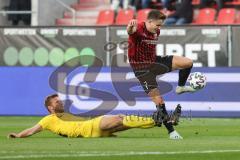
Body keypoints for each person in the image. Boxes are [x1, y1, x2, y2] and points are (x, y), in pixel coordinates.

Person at [127, 9, 196, 130]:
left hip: (154, 62)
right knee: (159, 102)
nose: (159, 28)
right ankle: (171, 131)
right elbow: (131, 32)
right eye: (158, 25)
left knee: (188, 62)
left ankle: (180, 87)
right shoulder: (138, 28)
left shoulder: (156, 31)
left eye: (161, 25)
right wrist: (129, 29)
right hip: (141, 68)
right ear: (149, 21)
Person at [8, 94, 182, 139]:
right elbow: (31, 130)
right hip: (92, 127)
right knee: (121, 118)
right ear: (49, 107)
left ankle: (165, 120)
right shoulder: (47, 120)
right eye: (56, 102)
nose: (60, 102)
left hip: (94, 132)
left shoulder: (66, 115)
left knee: (128, 123)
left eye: (60, 100)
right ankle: (165, 119)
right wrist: (18, 135)